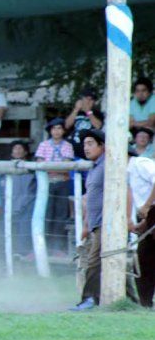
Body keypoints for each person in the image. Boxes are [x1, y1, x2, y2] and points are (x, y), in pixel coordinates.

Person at [70, 129, 105, 311]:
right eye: (84, 144)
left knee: (94, 261)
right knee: (96, 261)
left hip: (105, 224)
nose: (86, 148)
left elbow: (126, 191)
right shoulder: (94, 168)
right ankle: (132, 299)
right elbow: (89, 198)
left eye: (90, 143)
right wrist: (85, 224)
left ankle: (89, 300)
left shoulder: (108, 166)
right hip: (94, 224)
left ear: (102, 146)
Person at [34, 118, 74, 256]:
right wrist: (56, 168)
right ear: (50, 131)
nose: (56, 131)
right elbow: (40, 164)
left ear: (63, 130)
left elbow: (66, 166)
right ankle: (43, 247)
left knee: (61, 215)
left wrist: (51, 167)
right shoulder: (43, 145)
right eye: (54, 128)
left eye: (59, 128)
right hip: (47, 183)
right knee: (46, 214)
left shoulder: (67, 145)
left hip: (62, 183)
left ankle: (58, 248)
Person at [127, 150, 155, 308]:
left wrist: (146, 206)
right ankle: (145, 303)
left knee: (144, 260)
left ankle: (145, 303)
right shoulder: (127, 172)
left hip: (151, 212)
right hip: (148, 216)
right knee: (144, 261)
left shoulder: (140, 164)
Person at [10, 141, 36, 257]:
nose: (18, 150)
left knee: (25, 232)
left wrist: (23, 205)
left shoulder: (32, 169)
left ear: (25, 152)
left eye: (20, 148)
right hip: (10, 206)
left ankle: (25, 256)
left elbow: (32, 191)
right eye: (15, 148)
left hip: (27, 207)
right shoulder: (6, 169)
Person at [66, 87, 104, 159]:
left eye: (91, 99)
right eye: (87, 98)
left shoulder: (97, 113)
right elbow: (67, 125)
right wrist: (76, 109)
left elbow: (98, 126)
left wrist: (88, 112)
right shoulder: (74, 112)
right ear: (81, 99)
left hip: (90, 151)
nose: (89, 101)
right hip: (74, 150)